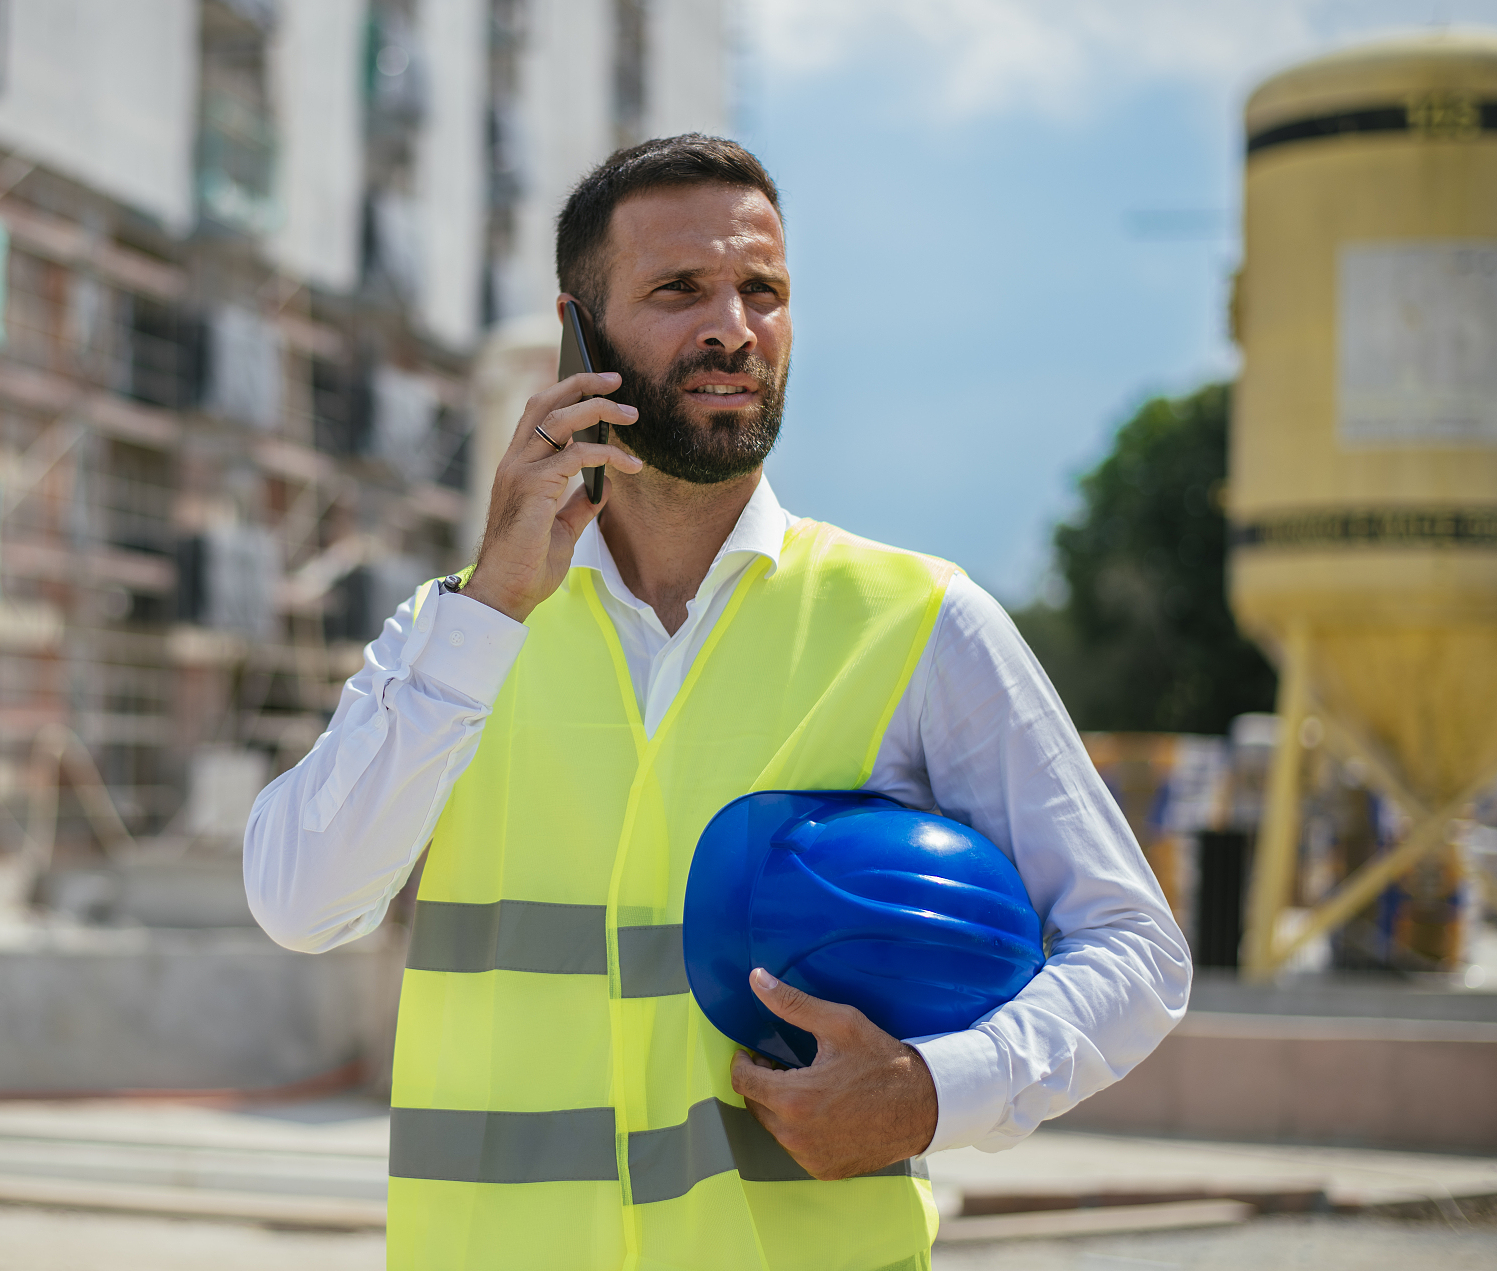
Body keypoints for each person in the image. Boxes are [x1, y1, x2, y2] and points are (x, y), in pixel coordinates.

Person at [245, 135, 1189, 1270]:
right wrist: (489, 606)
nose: (732, 329)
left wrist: (932, 1094)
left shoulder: (917, 622)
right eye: (677, 291)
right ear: (574, 332)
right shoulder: (458, 635)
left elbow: (1132, 949)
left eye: (763, 291)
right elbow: (300, 903)